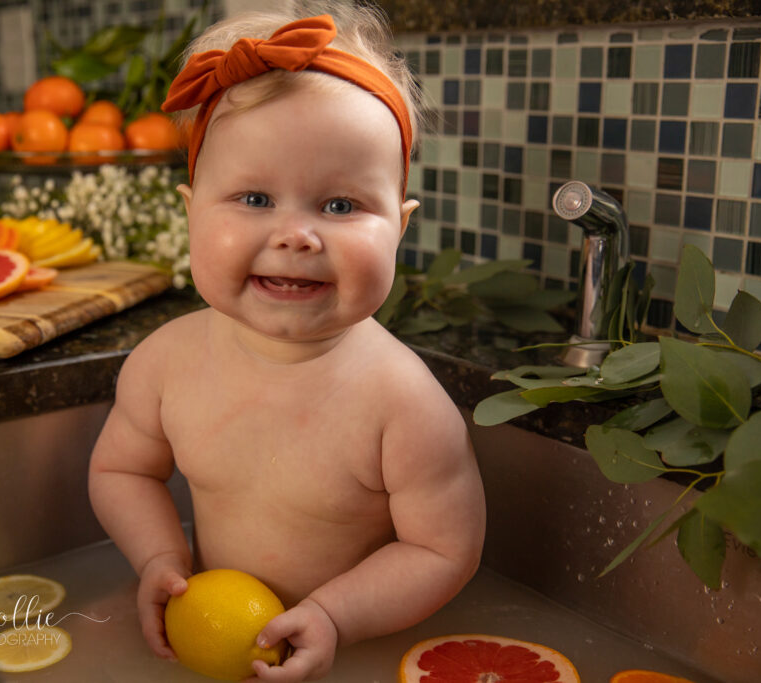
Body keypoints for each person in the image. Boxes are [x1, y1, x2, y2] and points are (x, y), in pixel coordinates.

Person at [88, 4, 486, 681]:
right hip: (207, 633)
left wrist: (337, 614)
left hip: (359, 652)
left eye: (340, 206)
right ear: (191, 212)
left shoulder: (403, 404)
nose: (295, 235)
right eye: (253, 198)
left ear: (399, 227)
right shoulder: (164, 363)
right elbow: (122, 471)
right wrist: (160, 557)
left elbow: (444, 549)